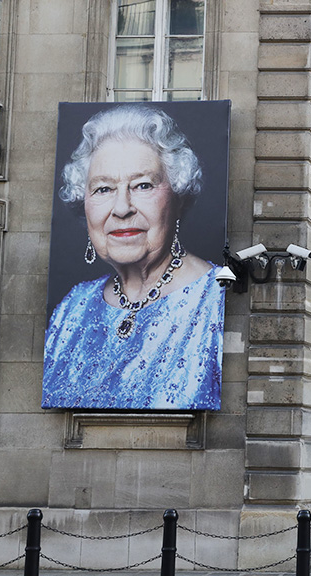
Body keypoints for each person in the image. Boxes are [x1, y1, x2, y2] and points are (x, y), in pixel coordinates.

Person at [43, 105, 224, 410]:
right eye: (103, 189)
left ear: (177, 196)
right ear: (84, 203)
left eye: (142, 185)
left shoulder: (216, 299)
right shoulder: (71, 308)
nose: (122, 207)